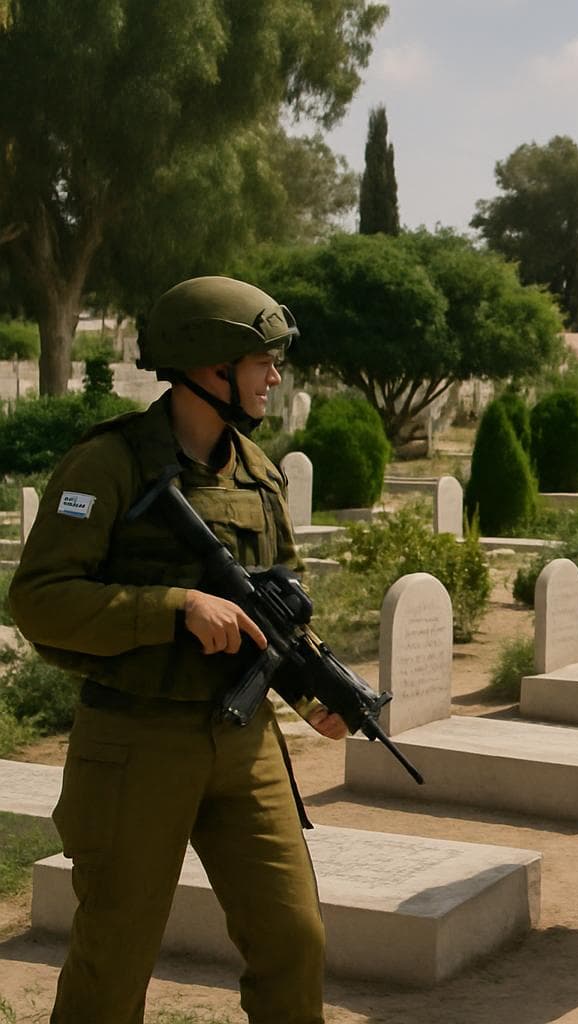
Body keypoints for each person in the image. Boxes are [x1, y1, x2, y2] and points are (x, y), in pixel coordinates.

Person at [9, 276, 346, 1024]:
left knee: (295, 938)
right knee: (115, 956)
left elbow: (279, 608)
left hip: (244, 743)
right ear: (209, 365)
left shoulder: (259, 475)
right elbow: (38, 600)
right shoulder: (107, 464)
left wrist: (316, 687)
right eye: (261, 359)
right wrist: (174, 608)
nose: (275, 375)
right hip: (136, 742)